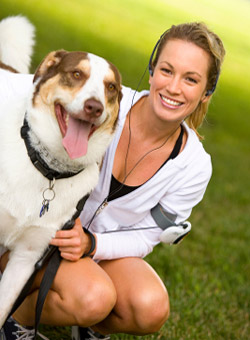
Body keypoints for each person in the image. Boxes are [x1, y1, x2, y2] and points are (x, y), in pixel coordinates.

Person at [0, 22, 225, 340]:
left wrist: (93, 244)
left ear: (206, 93)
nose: (174, 87)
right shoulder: (103, 104)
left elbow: (150, 235)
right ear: (151, 71)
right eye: (167, 70)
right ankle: (17, 320)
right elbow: (23, 88)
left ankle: (87, 322)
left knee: (150, 307)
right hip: (37, 233)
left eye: (191, 79)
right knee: (95, 297)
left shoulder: (195, 166)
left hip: (99, 252)